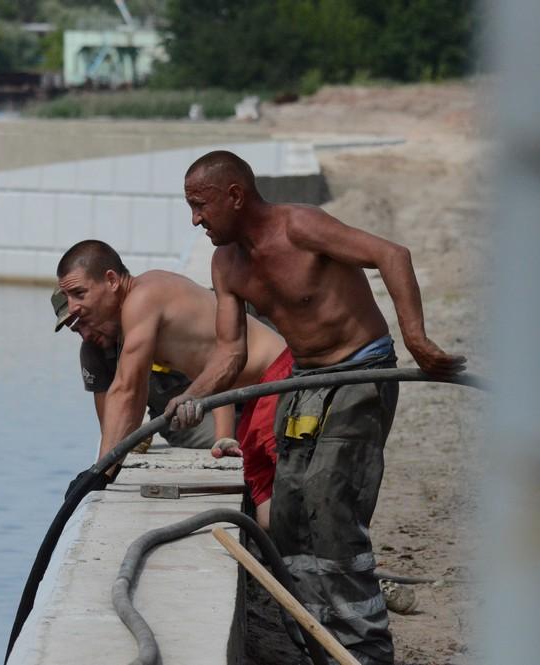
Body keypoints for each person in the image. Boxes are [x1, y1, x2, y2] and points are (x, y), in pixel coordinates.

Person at [168, 150, 466, 665]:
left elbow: (392, 254)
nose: (195, 219)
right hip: (303, 381)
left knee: (331, 500)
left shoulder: (300, 226)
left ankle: (365, 651)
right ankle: (318, 642)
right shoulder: (226, 264)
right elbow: (231, 352)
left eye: (200, 205)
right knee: (287, 512)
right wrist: (192, 394)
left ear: (234, 196)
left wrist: (416, 340)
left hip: (360, 371)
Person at [56, 241, 289, 521]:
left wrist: (100, 472)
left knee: (289, 492)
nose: (73, 307)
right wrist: (106, 469)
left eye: (79, 294)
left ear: (111, 280)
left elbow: (126, 390)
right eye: (67, 297)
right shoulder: (134, 310)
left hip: (278, 379)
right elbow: (135, 396)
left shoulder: (142, 298)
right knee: (265, 508)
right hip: (256, 394)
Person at [50, 287, 225, 453]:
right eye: (76, 329)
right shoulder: (94, 350)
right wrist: (128, 438)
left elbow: (222, 361)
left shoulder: (159, 311)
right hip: (187, 419)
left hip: (225, 385)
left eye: (84, 320)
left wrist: (224, 440)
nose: (86, 334)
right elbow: (109, 427)